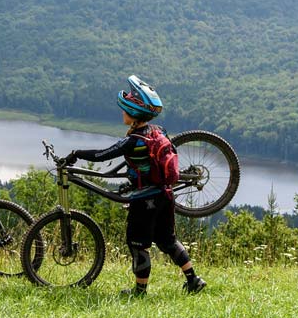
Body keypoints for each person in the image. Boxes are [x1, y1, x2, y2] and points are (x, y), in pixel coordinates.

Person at [66, 75, 206, 296]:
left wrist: (76, 154)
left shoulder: (133, 141)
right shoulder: (158, 131)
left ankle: (140, 291)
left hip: (145, 200)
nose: (122, 113)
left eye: (125, 110)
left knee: (138, 244)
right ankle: (194, 280)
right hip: (165, 195)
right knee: (167, 240)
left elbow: (103, 155)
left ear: (133, 114)